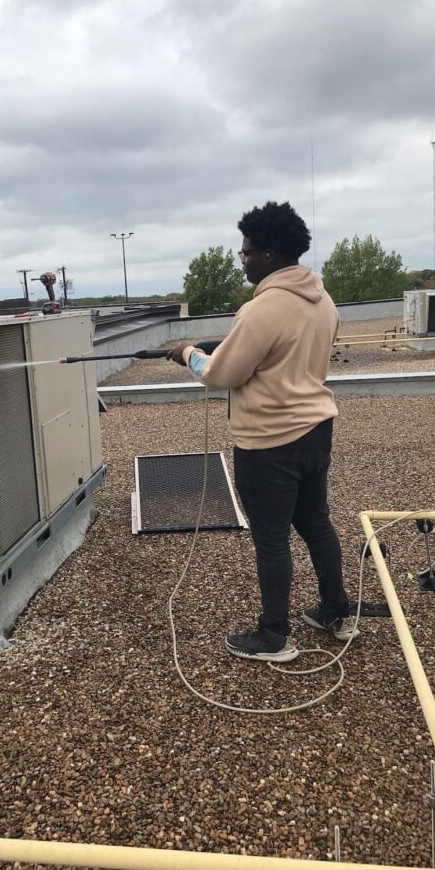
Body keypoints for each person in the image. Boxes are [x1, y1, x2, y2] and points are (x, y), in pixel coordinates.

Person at [167, 200, 358, 663]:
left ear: (269, 254)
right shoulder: (322, 298)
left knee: (271, 538)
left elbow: (221, 375)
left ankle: (273, 637)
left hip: (269, 442)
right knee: (315, 521)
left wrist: (188, 354)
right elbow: (282, 351)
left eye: (247, 252)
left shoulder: (261, 309)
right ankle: (336, 611)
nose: (243, 259)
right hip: (315, 431)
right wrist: (228, 344)